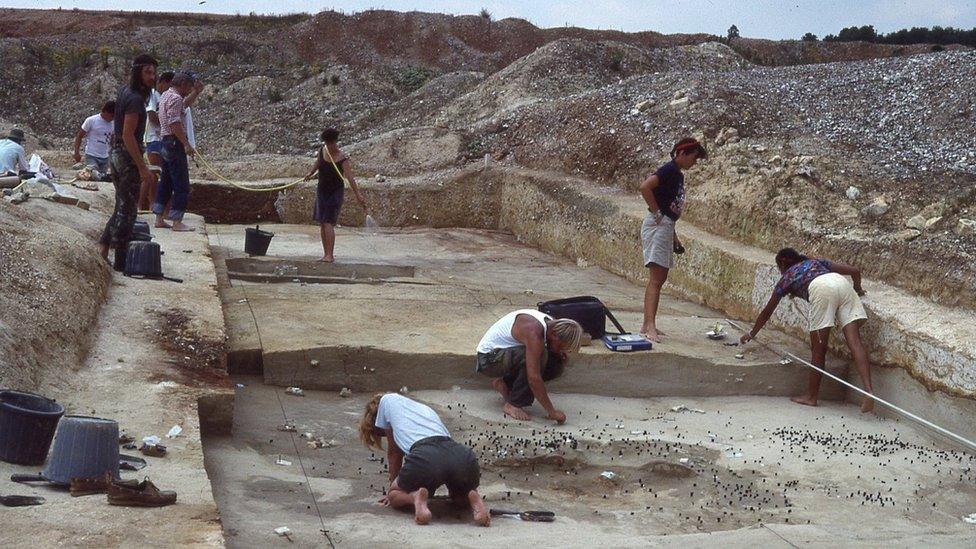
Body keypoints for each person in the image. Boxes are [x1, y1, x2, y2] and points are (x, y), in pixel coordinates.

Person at [740, 248, 875, 412]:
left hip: (821, 289)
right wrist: (858, 290)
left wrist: (752, 333)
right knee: (855, 342)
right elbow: (855, 271)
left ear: (782, 263)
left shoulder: (787, 277)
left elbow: (767, 311)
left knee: (819, 349)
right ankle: (868, 390)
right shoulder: (815, 262)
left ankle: (811, 396)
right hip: (842, 284)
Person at [359, 393, 490, 527]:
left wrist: (395, 486)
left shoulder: (386, 401)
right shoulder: (422, 409)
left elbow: (394, 452)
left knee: (394, 495)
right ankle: (472, 497)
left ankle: (415, 497)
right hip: (460, 454)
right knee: (458, 496)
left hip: (425, 456)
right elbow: (443, 458)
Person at [638, 137, 708, 342]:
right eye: (693, 158)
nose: (694, 163)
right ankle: (649, 325)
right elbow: (645, 187)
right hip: (658, 225)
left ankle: (647, 323)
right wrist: (657, 213)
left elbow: (669, 206)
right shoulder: (669, 170)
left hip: (666, 227)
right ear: (682, 153)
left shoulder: (676, 174)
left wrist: (673, 234)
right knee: (656, 280)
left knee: (660, 279)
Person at [98, 54, 158, 269]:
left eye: (153, 72)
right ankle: (121, 262)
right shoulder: (134, 99)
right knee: (129, 210)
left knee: (121, 205)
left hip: (115, 153)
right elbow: (128, 134)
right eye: (148, 72)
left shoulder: (126, 91)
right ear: (138, 73)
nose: (152, 77)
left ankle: (104, 247)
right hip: (125, 156)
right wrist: (142, 167)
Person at [476, 310, 583, 422]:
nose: (561, 349)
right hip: (489, 360)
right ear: (554, 334)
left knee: (555, 362)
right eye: (561, 346)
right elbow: (534, 378)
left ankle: (506, 385)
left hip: (506, 354)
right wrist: (552, 412)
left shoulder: (551, 325)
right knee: (540, 355)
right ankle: (513, 405)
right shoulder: (534, 331)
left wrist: (558, 353)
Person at [303, 128, 368, 262]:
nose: (329, 145)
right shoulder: (323, 150)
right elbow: (318, 163)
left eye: (331, 143)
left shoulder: (342, 158)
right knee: (322, 222)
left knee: (328, 222)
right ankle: (325, 253)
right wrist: (310, 173)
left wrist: (358, 195)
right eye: (327, 143)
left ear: (335, 142)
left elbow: (349, 177)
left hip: (335, 193)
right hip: (322, 191)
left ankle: (330, 255)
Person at [152, 71, 196, 232]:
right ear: (183, 84)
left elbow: (184, 105)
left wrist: (196, 92)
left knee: (166, 181)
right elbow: (175, 122)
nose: (189, 89)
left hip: (165, 142)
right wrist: (186, 144)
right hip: (174, 142)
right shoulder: (176, 98)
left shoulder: (166, 95)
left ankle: (159, 217)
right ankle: (177, 221)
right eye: (189, 86)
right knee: (181, 184)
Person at [141, 71, 173, 211]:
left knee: (165, 173)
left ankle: (161, 203)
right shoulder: (153, 95)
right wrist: (168, 123)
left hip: (164, 138)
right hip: (153, 137)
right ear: (163, 82)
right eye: (169, 85)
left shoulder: (167, 97)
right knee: (154, 172)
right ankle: (150, 202)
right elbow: (152, 115)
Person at [73, 101, 116, 176]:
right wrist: (76, 152)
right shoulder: (91, 120)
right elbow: (79, 136)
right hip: (92, 155)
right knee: (92, 173)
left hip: (105, 157)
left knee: (102, 176)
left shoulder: (113, 124)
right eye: (111, 116)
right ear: (105, 112)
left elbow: (113, 140)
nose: (112, 118)